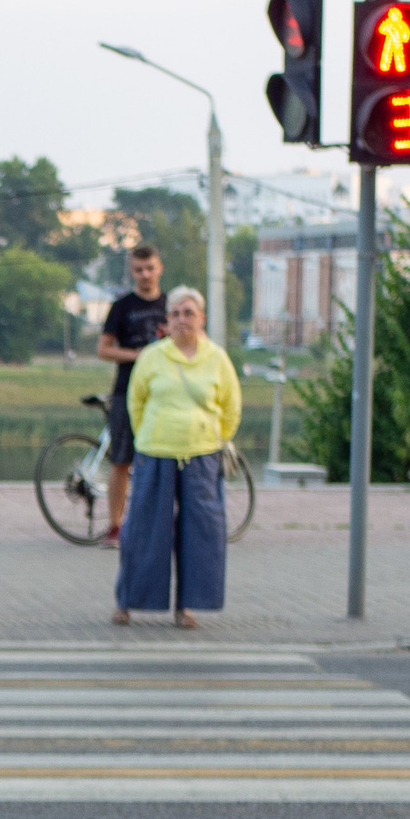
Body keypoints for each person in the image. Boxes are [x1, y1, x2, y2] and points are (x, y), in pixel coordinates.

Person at [113, 284, 239, 629]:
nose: (181, 320)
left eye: (188, 313)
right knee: (143, 530)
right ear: (166, 320)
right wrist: (148, 436)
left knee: (202, 534)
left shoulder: (217, 359)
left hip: (201, 455)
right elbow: (135, 402)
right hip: (155, 452)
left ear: (201, 318)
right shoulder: (152, 356)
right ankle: (128, 601)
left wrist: (214, 437)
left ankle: (188, 606)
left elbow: (231, 408)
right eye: (175, 314)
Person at [92, 243, 169, 544]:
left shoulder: (170, 304)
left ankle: (158, 524)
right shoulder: (122, 307)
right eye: (138, 270)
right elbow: (103, 349)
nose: (145, 275)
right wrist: (138, 356)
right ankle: (115, 526)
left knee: (162, 458)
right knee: (121, 460)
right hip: (127, 390)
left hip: (163, 393)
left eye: (150, 268)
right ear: (131, 271)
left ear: (159, 268)